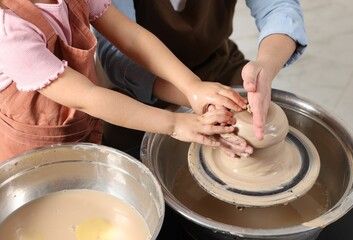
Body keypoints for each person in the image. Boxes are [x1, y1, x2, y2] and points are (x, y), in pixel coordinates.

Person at [0, 0, 250, 163]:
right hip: (32, 147)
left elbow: (132, 38)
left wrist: (192, 87)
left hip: (82, 123)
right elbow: (87, 97)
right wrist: (175, 123)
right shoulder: (9, 31)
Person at [95, 0, 308, 157]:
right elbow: (120, 51)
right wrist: (193, 93)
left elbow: (279, 7)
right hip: (135, 87)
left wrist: (266, 65)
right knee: (129, 164)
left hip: (216, 65)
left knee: (258, 137)